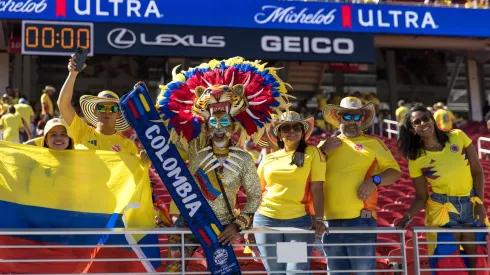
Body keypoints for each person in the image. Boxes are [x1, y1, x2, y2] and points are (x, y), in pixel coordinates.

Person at [139, 57, 289, 272]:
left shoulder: (244, 159)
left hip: (223, 227)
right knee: (173, 269)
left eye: (225, 122)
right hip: (188, 220)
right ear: (207, 128)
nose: (220, 127)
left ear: (233, 127)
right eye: (214, 123)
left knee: (222, 271)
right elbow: (166, 155)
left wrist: (238, 225)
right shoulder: (193, 148)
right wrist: (144, 107)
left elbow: (255, 196)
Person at [395, 104, 487, 275]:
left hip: (471, 206)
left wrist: (479, 203)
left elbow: (477, 172)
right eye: (417, 122)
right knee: (449, 265)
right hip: (442, 211)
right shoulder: (416, 158)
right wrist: (405, 218)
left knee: (476, 263)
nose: (423, 123)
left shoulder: (457, 136)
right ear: (412, 129)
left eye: (425, 118)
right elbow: (421, 197)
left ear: (432, 119)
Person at [319, 97, 401, 275]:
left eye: (356, 117)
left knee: (364, 273)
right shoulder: (324, 146)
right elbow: (307, 175)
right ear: (338, 118)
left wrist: (374, 181)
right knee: (335, 273)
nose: (352, 122)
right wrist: (323, 151)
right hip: (329, 222)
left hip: (360, 220)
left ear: (363, 120)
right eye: (347, 117)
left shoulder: (375, 144)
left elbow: (395, 172)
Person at [254, 111, 327, 274]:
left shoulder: (312, 153)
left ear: (302, 132)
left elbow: (317, 188)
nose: (292, 131)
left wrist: (320, 218)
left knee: (295, 271)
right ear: (279, 134)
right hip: (266, 221)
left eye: (296, 127)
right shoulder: (268, 158)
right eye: (286, 128)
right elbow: (258, 192)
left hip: (297, 222)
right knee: (276, 272)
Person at [57, 58, 138, 154]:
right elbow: (63, 105)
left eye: (112, 108)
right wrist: (72, 74)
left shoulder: (128, 145)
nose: (107, 112)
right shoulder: (82, 132)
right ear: (94, 111)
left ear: (119, 113)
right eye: (102, 108)